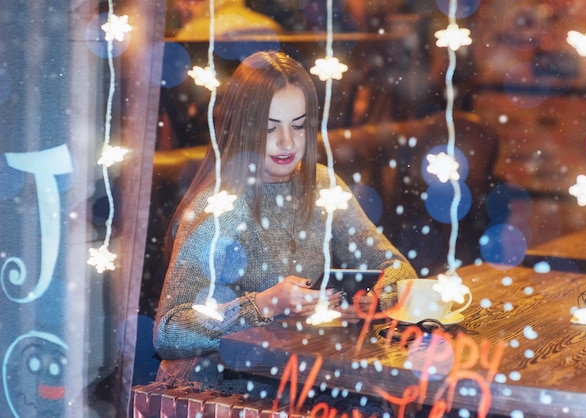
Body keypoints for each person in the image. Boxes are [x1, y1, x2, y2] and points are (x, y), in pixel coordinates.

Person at [153, 51, 417, 400]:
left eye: (298, 126)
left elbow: (398, 269)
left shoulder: (323, 187)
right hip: (218, 393)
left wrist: (367, 300)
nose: (287, 143)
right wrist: (263, 306)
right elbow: (169, 331)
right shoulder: (220, 207)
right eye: (269, 127)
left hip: (299, 375)